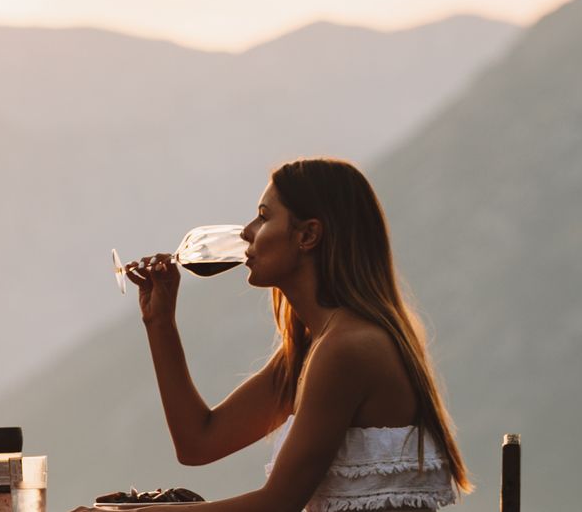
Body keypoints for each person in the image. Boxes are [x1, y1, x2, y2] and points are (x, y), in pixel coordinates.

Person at [121, 158, 471, 512]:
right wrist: (160, 323)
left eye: (263, 216)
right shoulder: (313, 349)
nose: (246, 232)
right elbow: (198, 442)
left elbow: (278, 504)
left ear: (307, 235)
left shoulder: (347, 350)